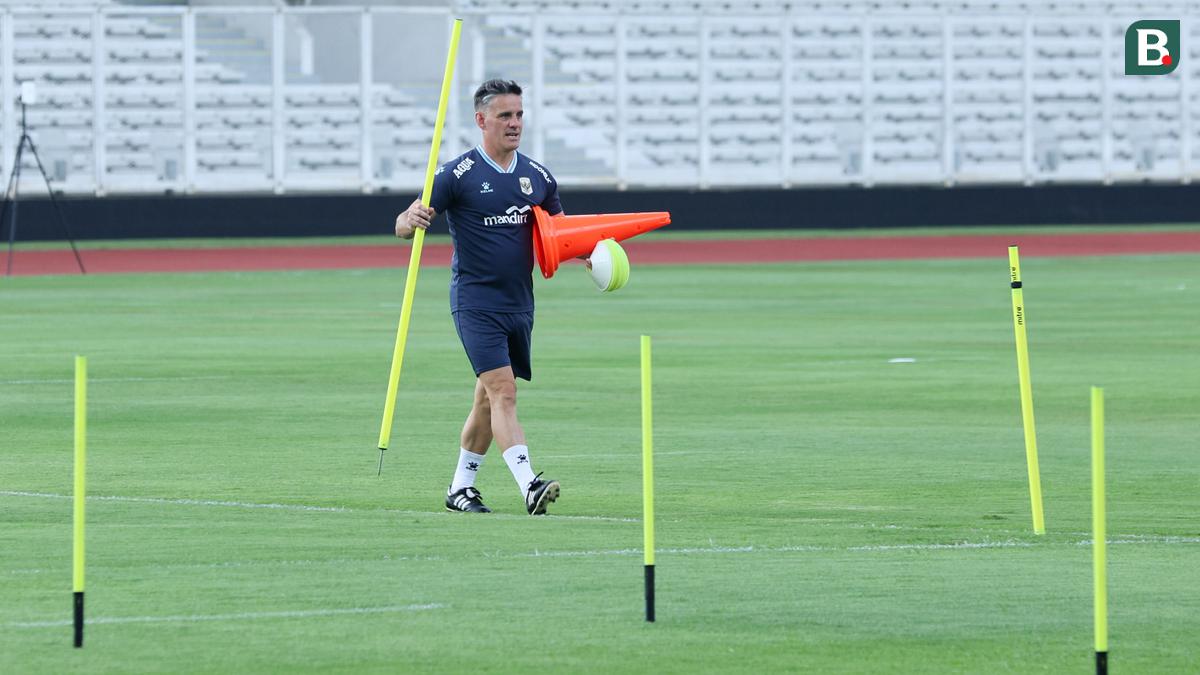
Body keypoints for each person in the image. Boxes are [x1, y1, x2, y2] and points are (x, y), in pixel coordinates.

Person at [394, 79, 568, 516]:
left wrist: (593, 255)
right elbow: (403, 224)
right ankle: (530, 486)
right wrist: (408, 217)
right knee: (503, 393)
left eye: (519, 114)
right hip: (475, 302)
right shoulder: (457, 175)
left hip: (520, 303)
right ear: (481, 120)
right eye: (505, 115)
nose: (514, 123)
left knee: (486, 400)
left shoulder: (538, 177)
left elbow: (563, 236)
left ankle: (460, 490)